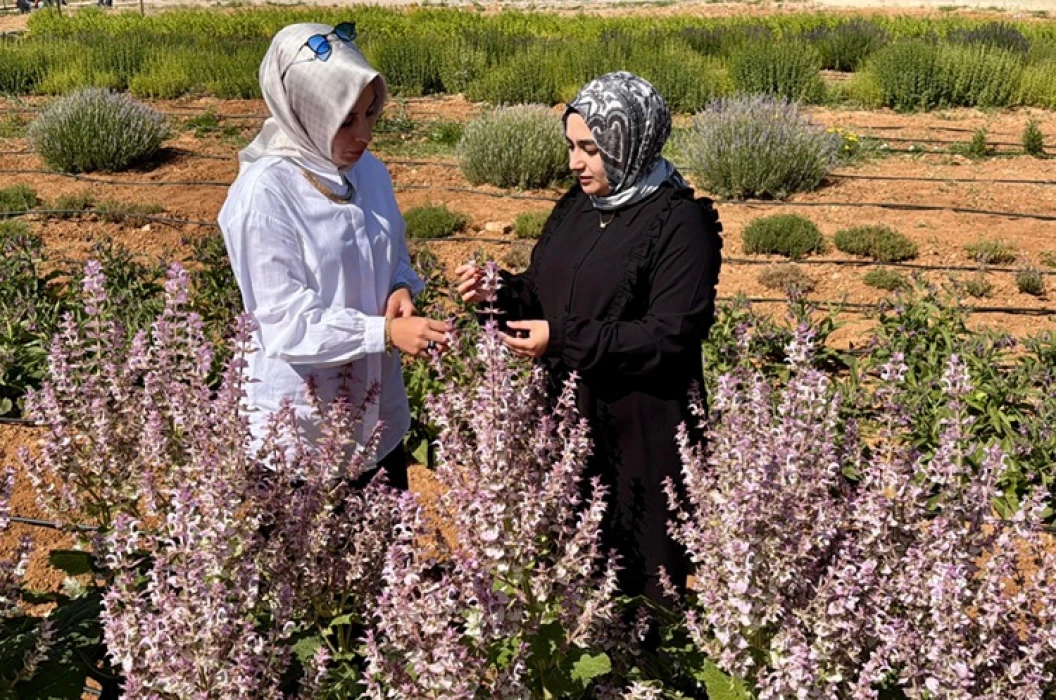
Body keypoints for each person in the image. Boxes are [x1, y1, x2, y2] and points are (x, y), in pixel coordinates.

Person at [457, 72, 722, 603]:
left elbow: (668, 336)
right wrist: (499, 291)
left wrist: (563, 339)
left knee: (637, 583)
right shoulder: (578, 207)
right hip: (567, 422)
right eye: (572, 147)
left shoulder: (681, 225)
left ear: (632, 142)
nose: (575, 163)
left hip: (640, 432)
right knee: (567, 567)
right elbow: (542, 291)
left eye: (591, 149)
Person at [218, 22, 449, 489]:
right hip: (298, 434)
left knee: (384, 556)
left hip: (374, 422)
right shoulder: (266, 194)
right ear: (305, 112)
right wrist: (383, 332)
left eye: (370, 113)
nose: (363, 133)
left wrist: (400, 286)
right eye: (346, 120)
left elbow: (392, 248)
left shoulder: (369, 174)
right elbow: (284, 321)